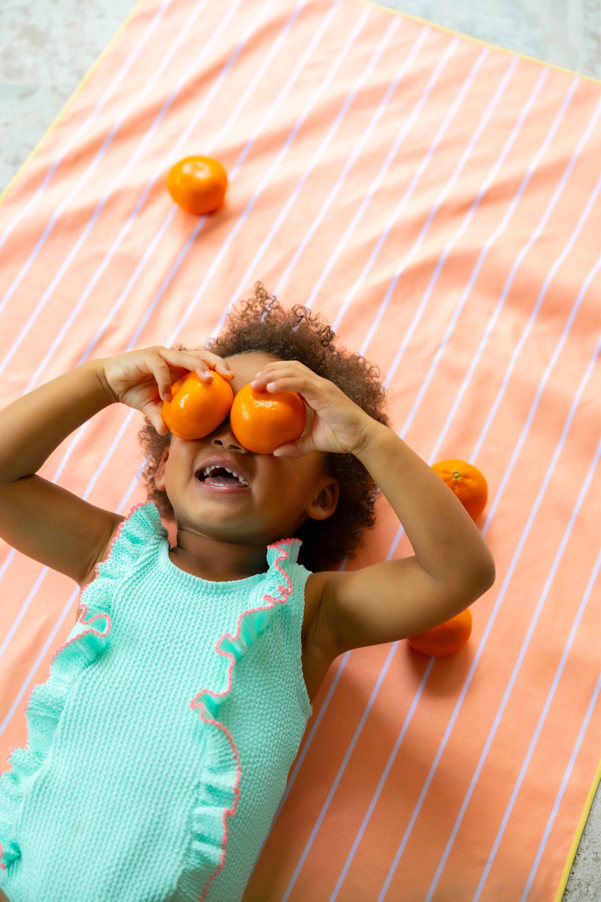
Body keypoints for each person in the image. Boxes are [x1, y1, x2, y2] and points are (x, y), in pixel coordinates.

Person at [0, 283, 495, 901]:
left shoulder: (309, 614)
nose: (231, 438)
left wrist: (367, 439)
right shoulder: (113, 557)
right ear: (161, 465)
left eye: (269, 426)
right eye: (207, 415)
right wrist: (101, 380)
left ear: (321, 496)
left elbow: (459, 573)